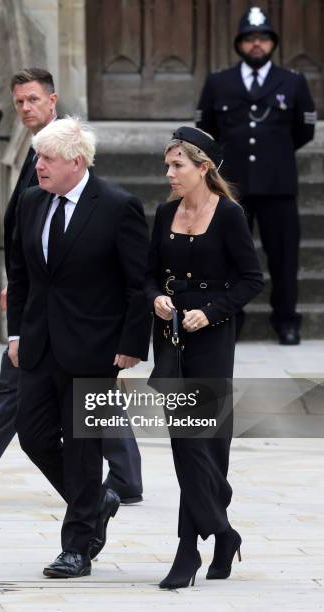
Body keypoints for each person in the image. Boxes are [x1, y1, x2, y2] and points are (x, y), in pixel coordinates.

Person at [0, 69, 144, 505]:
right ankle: (121, 478)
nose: (25, 109)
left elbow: (90, 231)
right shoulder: (31, 147)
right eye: (19, 101)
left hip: (77, 310)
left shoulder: (70, 148)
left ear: (52, 101)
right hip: (40, 301)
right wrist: (16, 285)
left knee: (67, 392)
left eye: (33, 100)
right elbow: (27, 232)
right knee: (49, 391)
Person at [7, 117, 151, 578]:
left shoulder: (116, 206)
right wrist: (15, 334)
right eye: (36, 157)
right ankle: (97, 500)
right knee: (33, 437)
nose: (38, 166)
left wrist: (131, 344)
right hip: (39, 344)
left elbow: (138, 284)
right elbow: (21, 275)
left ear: (76, 161)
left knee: (84, 447)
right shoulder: (32, 202)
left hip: (94, 348)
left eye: (46, 158)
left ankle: (77, 548)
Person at [145, 126, 264, 589]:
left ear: (203, 167)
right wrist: (156, 298)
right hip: (170, 337)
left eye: (177, 165)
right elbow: (148, 274)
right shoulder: (163, 213)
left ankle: (188, 548)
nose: (169, 173)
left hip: (212, 339)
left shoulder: (230, 215)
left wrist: (211, 313)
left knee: (207, 442)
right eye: (167, 165)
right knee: (184, 442)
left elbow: (251, 279)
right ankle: (222, 530)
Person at [195, 5, 316, 345]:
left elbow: (303, 131)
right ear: (239, 43)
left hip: (278, 185)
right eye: (250, 38)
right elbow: (207, 129)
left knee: (283, 257)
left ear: (273, 43)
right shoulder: (219, 82)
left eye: (263, 38)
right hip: (233, 187)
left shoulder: (292, 82)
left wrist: (273, 154)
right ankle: (232, 318)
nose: (257, 44)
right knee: (230, 257)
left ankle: (287, 321)